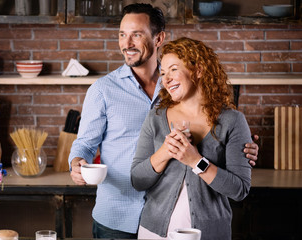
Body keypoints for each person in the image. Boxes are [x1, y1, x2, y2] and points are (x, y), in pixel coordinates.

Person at [68, 3, 258, 239]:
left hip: (176, 219)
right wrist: (77, 162)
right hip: (120, 214)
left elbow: (224, 144)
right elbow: (85, 144)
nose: (126, 44)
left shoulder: (177, 84)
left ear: (159, 38)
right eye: (122, 35)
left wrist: (241, 146)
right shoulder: (103, 90)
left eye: (136, 35)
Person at [131, 37, 252, 240]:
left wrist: (196, 161)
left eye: (174, 69)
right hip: (154, 233)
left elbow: (239, 190)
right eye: (163, 72)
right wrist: (164, 153)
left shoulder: (232, 120)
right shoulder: (156, 117)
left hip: (210, 234)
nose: (166, 79)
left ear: (198, 70)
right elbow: (137, 180)